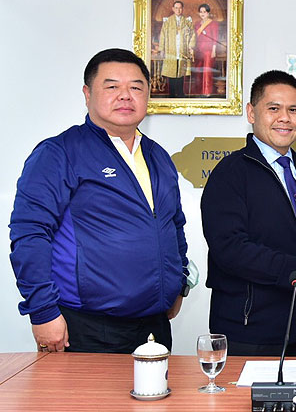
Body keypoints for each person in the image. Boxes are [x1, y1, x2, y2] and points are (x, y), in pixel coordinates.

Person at [9, 48, 189, 353]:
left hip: (154, 326)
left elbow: (174, 225)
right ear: (87, 93)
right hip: (87, 327)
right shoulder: (60, 152)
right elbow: (30, 233)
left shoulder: (157, 156)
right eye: (112, 86)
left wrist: (179, 283)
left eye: (136, 87)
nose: (125, 95)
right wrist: (42, 310)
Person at [201, 70, 296, 357]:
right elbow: (230, 249)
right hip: (247, 329)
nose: (285, 118)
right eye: (274, 109)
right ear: (252, 113)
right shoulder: (230, 173)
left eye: (294, 110)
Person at [158, 0, 195, 98]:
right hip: (171, 50)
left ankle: (180, 93)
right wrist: (162, 49)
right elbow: (162, 36)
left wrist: (191, 47)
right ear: (173, 9)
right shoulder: (168, 21)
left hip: (183, 50)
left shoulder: (187, 21)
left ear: (182, 9)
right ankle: (172, 94)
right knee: (171, 72)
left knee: (181, 72)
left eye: (180, 8)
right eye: (176, 8)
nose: (178, 10)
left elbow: (192, 35)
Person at [191, 3, 220, 96]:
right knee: (198, 71)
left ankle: (207, 92)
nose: (202, 13)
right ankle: (199, 91)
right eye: (201, 12)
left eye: (204, 12)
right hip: (199, 51)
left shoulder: (213, 24)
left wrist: (214, 50)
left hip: (208, 51)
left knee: (207, 72)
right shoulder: (197, 24)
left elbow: (215, 38)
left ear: (208, 13)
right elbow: (195, 38)